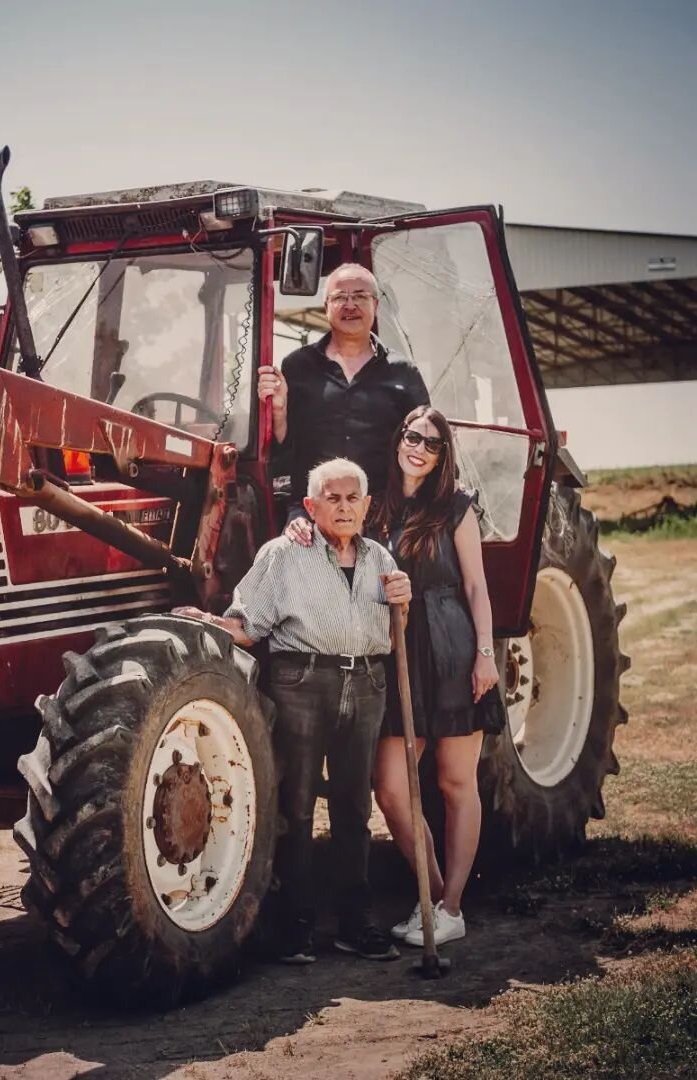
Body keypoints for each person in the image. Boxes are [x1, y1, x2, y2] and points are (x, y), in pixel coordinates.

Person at [175, 457, 411, 964]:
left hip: (368, 681)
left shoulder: (380, 561)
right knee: (296, 808)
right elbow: (248, 625)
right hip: (303, 680)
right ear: (311, 505)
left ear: (367, 506)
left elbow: (395, 637)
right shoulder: (283, 555)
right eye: (333, 498)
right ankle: (296, 926)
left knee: (353, 809)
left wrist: (404, 604)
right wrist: (208, 624)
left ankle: (355, 923)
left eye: (353, 498)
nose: (344, 507)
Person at [369, 406, 505, 947]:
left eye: (431, 443)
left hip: (451, 645)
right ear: (398, 439)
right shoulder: (377, 505)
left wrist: (486, 653)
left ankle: (450, 907)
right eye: (412, 436)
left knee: (454, 783)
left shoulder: (456, 506)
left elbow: (476, 587)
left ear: (443, 455)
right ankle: (436, 893)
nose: (418, 447)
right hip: (398, 648)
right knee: (391, 787)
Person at [259, 263, 430, 543]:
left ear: (375, 305)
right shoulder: (298, 366)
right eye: (340, 297)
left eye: (360, 296)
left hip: (383, 515)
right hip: (311, 513)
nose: (350, 305)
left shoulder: (403, 372)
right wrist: (277, 410)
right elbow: (284, 451)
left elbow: (427, 445)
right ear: (326, 307)